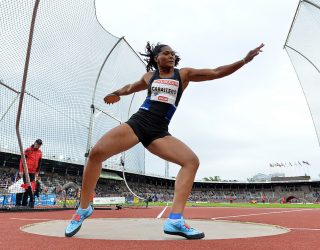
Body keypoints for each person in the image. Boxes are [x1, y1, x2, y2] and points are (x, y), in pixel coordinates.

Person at [65, 42, 264, 239]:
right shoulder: (149, 77)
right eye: (166, 53)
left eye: (173, 54)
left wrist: (244, 60)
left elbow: (216, 71)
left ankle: (175, 220)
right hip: (139, 123)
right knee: (95, 154)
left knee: (191, 161)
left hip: (158, 132)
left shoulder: (183, 74)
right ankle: (83, 208)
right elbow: (131, 87)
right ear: (156, 58)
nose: (171, 56)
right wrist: (116, 93)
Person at [15, 139, 43, 208]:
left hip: (32, 173)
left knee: (28, 189)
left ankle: (24, 204)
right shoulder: (28, 150)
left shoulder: (40, 152)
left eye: (39, 145)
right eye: (37, 144)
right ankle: (18, 204)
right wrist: (21, 171)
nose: (38, 146)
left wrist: (37, 172)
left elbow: (39, 163)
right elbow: (22, 160)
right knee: (21, 187)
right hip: (25, 172)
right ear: (34, 143)